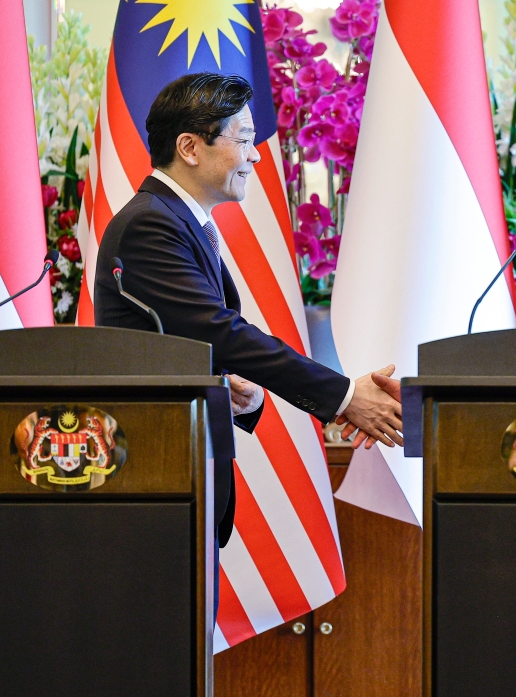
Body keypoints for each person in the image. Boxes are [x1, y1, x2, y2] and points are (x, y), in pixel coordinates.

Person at [93, 73, 402, 612]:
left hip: (179, 485)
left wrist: (238, 392)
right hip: (153, 488)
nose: (257, 156)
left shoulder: (178, 222)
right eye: (242, 138)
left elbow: (193, 343)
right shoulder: (151, 225)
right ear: (189, 146)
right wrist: (345, 396)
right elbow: (218, 331)